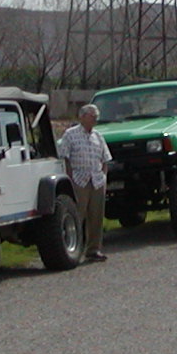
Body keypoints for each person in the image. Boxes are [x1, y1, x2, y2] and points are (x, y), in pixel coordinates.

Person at [57, 103, 112, 261]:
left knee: (96, 217)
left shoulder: (98, 136)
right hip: (79, 181)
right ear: (82, 117)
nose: (95, 119)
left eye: (96, 116)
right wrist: (70, 178)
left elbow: (105, 158)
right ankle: (74, 249)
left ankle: (94, 249)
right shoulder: (70, 134)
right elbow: (64, 157)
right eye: (92, 115)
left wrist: (103, 177)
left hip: (97, 181)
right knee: (77, 216)